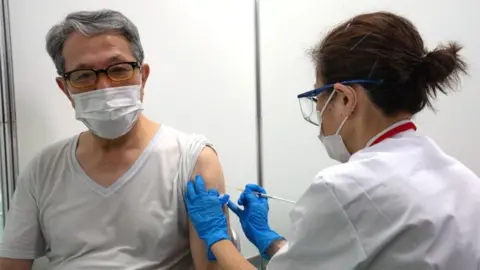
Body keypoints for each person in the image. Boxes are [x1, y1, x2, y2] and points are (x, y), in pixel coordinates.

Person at [183, 11, 480, 269]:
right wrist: (269, 239)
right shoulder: (461, 177)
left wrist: (217, 236)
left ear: (345, 99)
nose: (319, 115)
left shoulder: (345, 188)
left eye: (317, 98)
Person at [0, 9, 231, 270]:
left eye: (119, 70)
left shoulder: (192, 160)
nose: (105, 88)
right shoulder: (43, 169)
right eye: (83, 75)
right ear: (65, 88)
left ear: (142, 76)